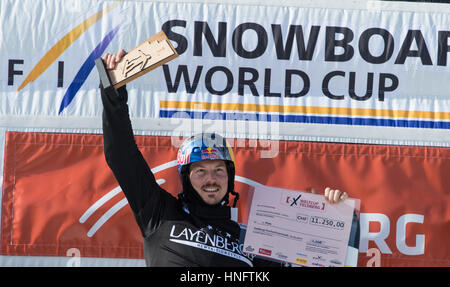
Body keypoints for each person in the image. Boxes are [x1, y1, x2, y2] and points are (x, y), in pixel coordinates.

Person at [100, 50, 352, 267]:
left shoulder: (253, 239)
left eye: (219, 170)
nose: (211, 179)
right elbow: (121, 155)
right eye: (200, 171)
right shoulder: (159, 213)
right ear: (185, 178)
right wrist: (113, 94)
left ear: (230, 177)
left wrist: (334, 222)